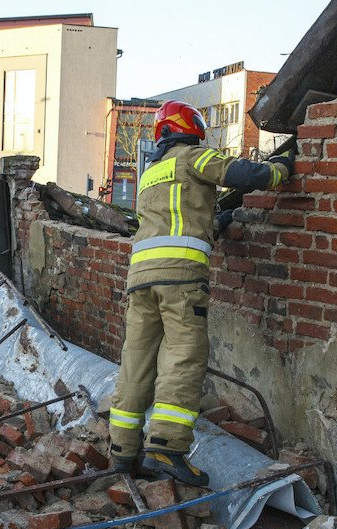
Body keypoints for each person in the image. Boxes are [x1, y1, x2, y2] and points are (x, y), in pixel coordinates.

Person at [108, 100, 294, 486]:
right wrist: (279, 170)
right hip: (180, 278)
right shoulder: (193, 157)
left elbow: (177, 216)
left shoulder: (151, 174)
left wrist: (216, 222)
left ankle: (123, 452)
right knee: (182, 356)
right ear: (189, 129)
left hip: (140, 279)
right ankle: (165, 447)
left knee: (136, 361)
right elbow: (239, 173)